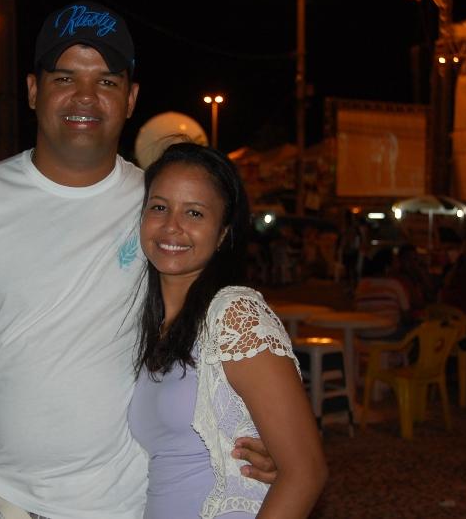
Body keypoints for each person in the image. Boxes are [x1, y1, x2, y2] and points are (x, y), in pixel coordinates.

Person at [0, 1, 275, 519]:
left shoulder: (158, 210)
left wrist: (260, 427)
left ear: (130, 98)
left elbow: (222, 322)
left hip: (123, 505)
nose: (86, 97)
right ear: (34, 90)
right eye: (65, 77)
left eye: (107, 81)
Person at [128, 143, 327, 518]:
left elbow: (306, 472)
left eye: (194, 213)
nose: (172, 226)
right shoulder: (152, 325)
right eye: (159, 207)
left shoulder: (235, 315)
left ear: (222, 233)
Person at [354, 247, 416, 340]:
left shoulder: (362, 284)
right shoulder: (394, 284)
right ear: (388, 267)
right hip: (388, 333)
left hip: (363, 334)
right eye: (396, 262)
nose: (398, 265)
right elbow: (407, 316)